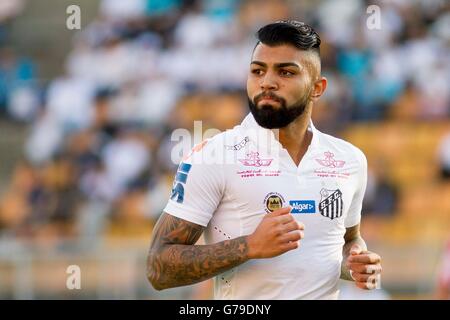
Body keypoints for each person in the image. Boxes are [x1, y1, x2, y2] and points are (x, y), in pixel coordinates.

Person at [146, 20, 382, 299]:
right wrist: (249, 246)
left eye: (285, 72)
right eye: (258, 71)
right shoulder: (214, 156)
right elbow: (158, 268)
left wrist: (355, 262)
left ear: (317, 88)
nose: (267, 82)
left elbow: (346, 240)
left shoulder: (349, 160)